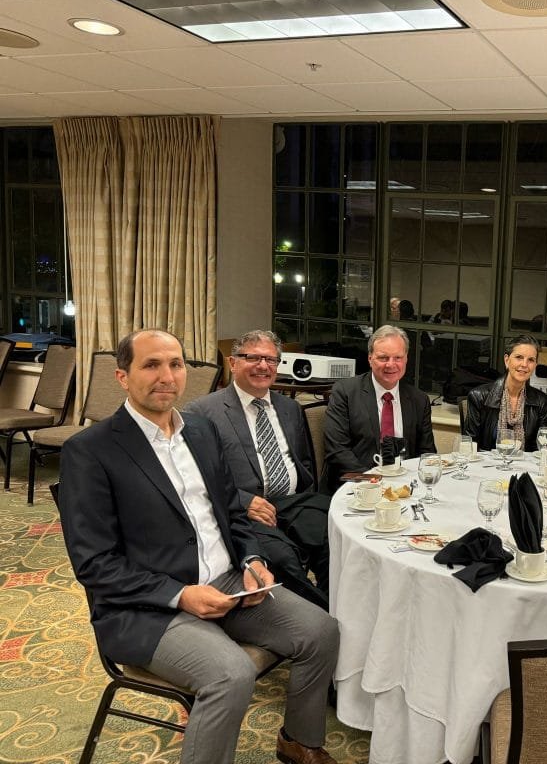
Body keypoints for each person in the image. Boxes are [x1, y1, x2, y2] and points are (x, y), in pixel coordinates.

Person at [58, 329, 339, 764]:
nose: (166, 376)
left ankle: (298, 741)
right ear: (122, 376)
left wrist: (252, 559)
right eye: (151, 365)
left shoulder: (202, 431)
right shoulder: (90, 451)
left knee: (321, 630)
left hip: (228, 584)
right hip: (147, 607)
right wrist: (180, 594)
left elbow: (233, 512)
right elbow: (94, 564)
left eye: (175, 364)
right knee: (231, 674)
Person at [186, 329, 331, 610]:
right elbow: (194, 476)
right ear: (232, 363)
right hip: (244, 511)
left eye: (271, 360)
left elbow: (303, 462)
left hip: (292, 503)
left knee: (335, 540)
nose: (263, 366)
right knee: (283, 559)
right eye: (252, 358)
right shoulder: (202, 412)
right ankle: (323, 618)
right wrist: (242, 500)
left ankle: (336, 607)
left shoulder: (290, 408)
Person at [323, 325, 435, 486]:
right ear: (370, 359)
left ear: (406, 359)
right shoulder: (345, 393)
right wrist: (374, 482)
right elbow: (337, 451)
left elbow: (427, 453)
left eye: (398, 357)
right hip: (358, 485)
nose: (391, 364)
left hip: (404, 485)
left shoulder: (419, 400)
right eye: (383, 358)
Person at [464, 335, 547, 452]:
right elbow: (470, 446)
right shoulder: (478, 396)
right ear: (507, 360)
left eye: (531, 360)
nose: (524, 364)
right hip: (487, 462)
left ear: (535, 365)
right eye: (519, 357)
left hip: (524, 462)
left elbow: (541, 449)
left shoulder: (542, 402)